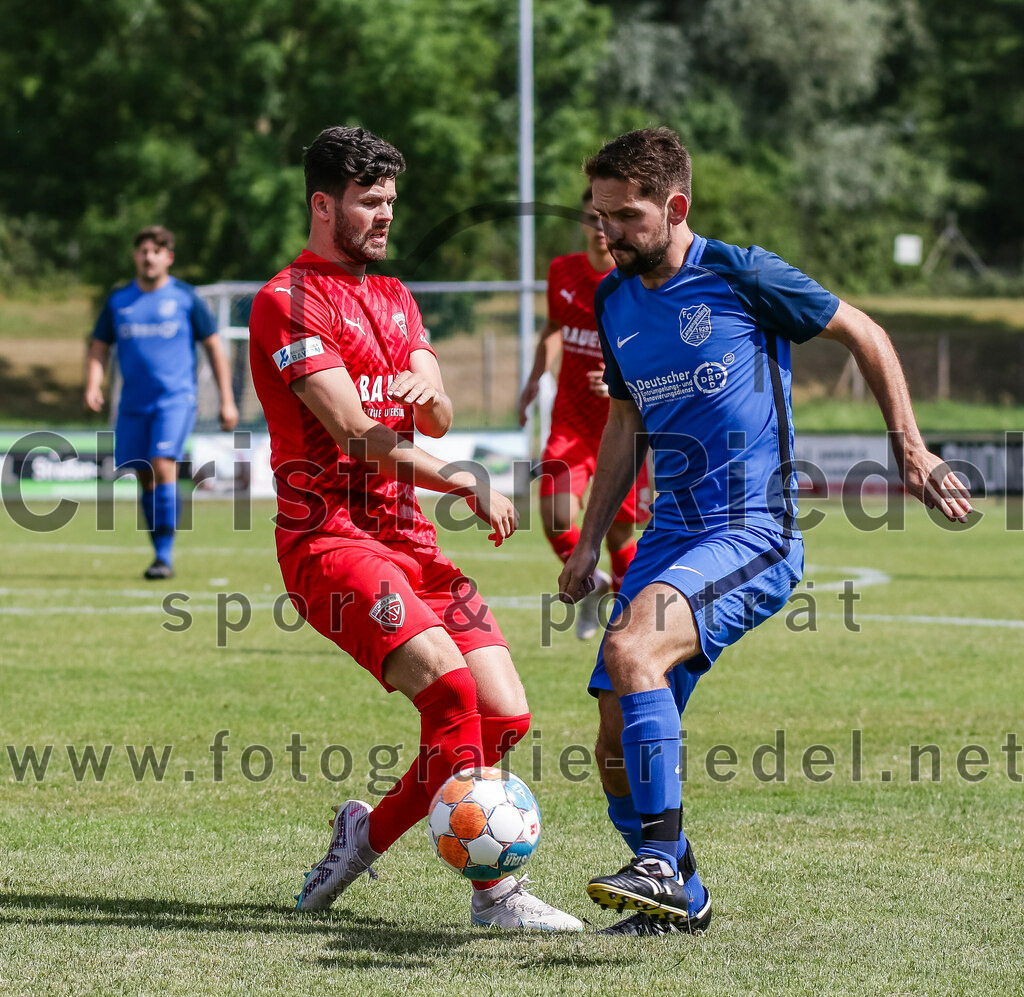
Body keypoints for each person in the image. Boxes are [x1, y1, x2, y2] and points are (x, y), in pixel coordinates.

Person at [557, 128, 974, 937]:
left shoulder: (742, 272)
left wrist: (910, 447)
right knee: (611, 734)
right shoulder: (613, 301)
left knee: (632, 650)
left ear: (676, 208)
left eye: (626, 216)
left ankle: (657, 864)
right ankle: (680, 889)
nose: (606, 232)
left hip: (753, 529)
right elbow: (625, 422)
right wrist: (587, 538)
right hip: (669, 538)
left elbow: (867, 333)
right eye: (599, 214)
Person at [247, 125, 581, 931]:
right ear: (324, 204)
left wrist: (433, 394)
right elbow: (359, 432)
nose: (385, 215)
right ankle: (495, 896)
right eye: (369, 201)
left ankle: (363, 832)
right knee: (452, 690)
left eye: (391, 200)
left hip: (410, 540)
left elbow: (432, 404)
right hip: (328, 540)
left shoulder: (395, 297)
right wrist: (464, 474)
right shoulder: (284, 301)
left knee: (503, 715)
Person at [518, 188, 651, 640]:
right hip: (571, 424)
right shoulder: (562, 272)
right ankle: (593, 586)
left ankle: (631, 622)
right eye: (593, 219)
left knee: (619, 536)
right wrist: (535, 379)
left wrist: (621, 381)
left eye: (609, 219)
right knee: (555, 515)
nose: (601, 229)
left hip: (624, 427)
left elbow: (656, 354)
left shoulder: (638, 281)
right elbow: (555, 328)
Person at [85, 225, 238, 579]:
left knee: (162, 463)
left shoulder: (185, 298)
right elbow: (99, 344)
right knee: (144, 475)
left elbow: (215, 346)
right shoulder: (119, 300)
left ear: (168, 257)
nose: (149, 256)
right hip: (133, 404)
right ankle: (158, 552)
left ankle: (165, 556)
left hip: (175, 400)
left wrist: (227, 401)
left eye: (156, 251)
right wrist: (94, 383)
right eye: (143, 251)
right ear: (135, 257)